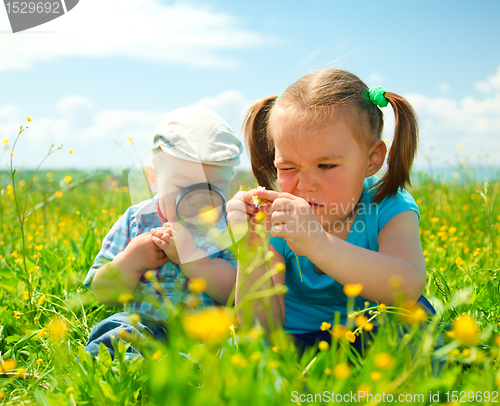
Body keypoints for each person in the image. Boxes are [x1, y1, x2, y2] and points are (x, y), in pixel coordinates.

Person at [228, 68, 443, 356]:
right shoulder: (276, 218)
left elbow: (408, 287)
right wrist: (250, 246)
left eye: (326, 166)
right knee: (242, 350)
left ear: (371, 159)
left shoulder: (388, 205)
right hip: (297, 338)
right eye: (288, 168)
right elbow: (261, 327)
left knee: (416, 326)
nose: (304, 186)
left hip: (376, 332)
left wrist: (319, 245)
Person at [83, 106, 243, 358]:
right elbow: (102, 290)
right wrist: (130, 261)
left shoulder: (228, 226)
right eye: (182, 186)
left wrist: (194, 259)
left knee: (238, 342)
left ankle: (195, 372)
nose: (198, 199)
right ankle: (129, 366)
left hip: (207, 332)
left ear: (230, 181)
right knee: (118, 327)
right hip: (145, 327)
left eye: (214, 187)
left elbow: (237, 293)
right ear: (153, 178)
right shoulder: (135, 221)